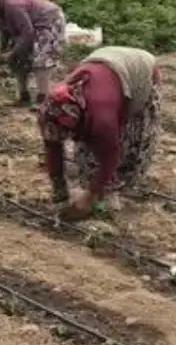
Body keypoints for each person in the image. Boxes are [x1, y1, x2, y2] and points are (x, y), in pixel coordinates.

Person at [37, 46, 163, 221]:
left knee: (130, 141)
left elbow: (111, 155)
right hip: (104, 67)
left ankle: (116, 190)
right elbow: (53, 147)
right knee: (86, 151)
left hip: (140, 70)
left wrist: (89, 196)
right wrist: (60, 192)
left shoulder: (101, 116)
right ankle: (99, 187)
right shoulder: (53, 109)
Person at [0, 0, 66, 108]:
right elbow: (5, 33)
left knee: (42, 59)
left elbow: (27, 33)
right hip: (29, 27)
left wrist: (11, 53)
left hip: (48, 20)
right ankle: (23, 95)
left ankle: (43, 99)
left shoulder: (13, 7)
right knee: (17, 59)